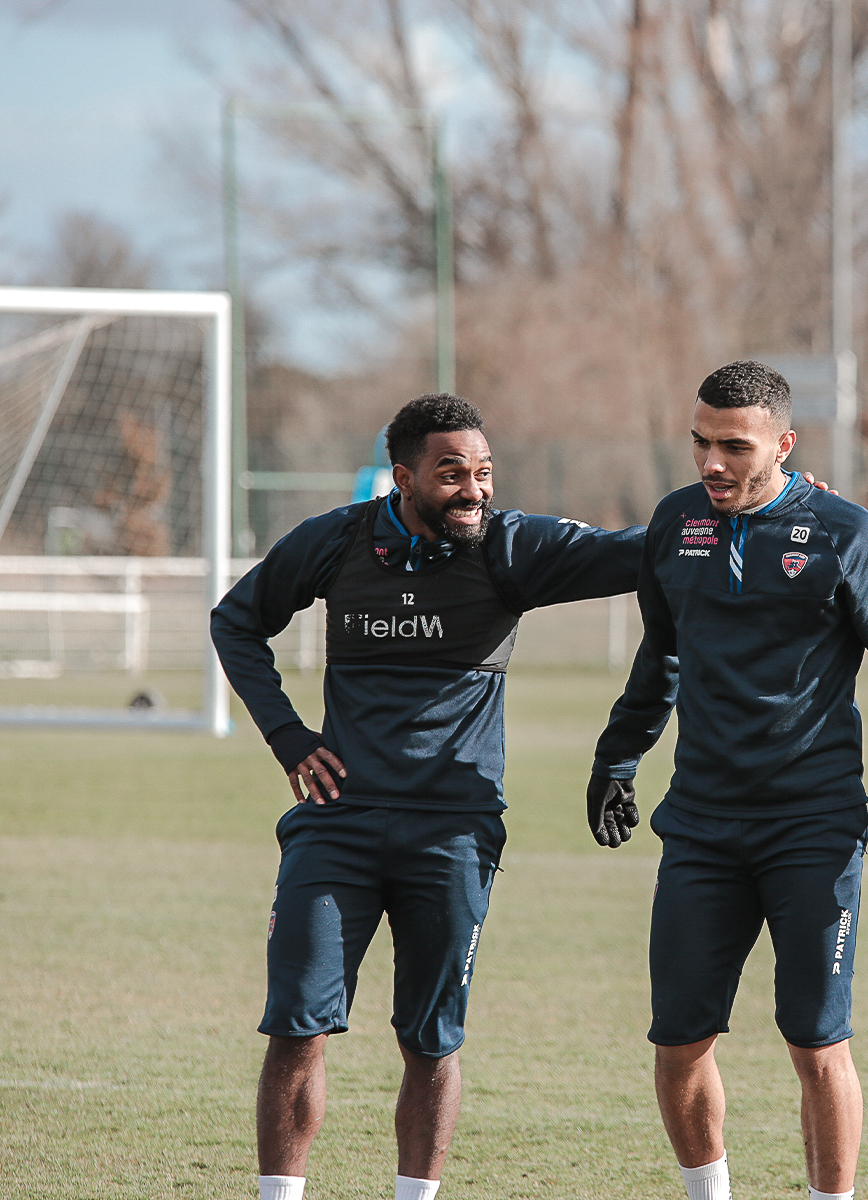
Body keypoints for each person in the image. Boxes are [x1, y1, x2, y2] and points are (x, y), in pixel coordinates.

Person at [211, 394, 647, 1200]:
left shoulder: (512, 548)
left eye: (483, 472)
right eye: (452, 474)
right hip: (335, 827)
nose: (474, 490)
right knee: (296, 1026)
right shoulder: (338, 540)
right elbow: (236, 621)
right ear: (403, 477)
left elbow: (649, 552)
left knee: (432, 1040)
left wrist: (772, 504)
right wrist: (286, 736)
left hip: (455, 834)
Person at [587, 360, 868, 1200]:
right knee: (679, 1041)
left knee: (817, 1046)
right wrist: (618, 754)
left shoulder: (846, 536)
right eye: (700, 442)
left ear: (784, 445)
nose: (710, 463)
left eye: (733, 446)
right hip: (703, 830)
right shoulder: (675, 523)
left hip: (811, 830)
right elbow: (660, 656)